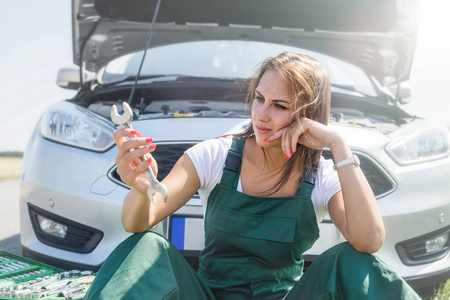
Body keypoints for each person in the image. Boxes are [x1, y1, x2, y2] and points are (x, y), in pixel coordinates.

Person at [84, 52, 421, 299]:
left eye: (280, 105)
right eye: (259, 98)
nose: (261, 115)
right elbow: (139, 222)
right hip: (209, 295)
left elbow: (369, 240)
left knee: (349, 260)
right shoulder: (215, 154)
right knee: (145, 245)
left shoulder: (320, 175)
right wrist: (142, 190)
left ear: (309, 115)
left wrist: (339, 144)